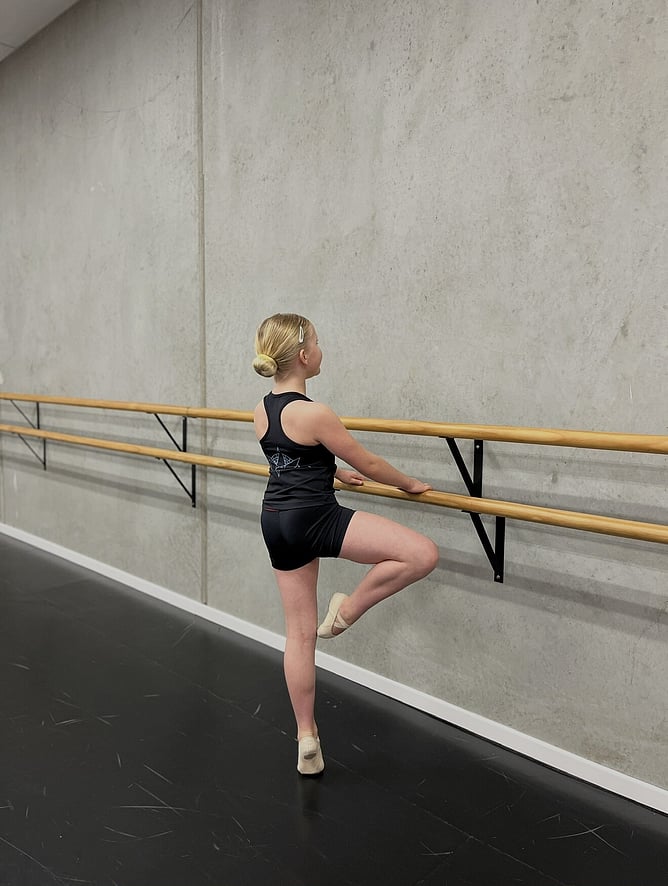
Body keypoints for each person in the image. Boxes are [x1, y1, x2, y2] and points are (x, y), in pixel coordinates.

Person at [252, 313, 439, 776]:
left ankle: (306, 738)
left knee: (298, 634)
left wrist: (331, 471)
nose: (322, 349)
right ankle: (348, 611)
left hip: (275, 520)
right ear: (303, 355)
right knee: (421, 554)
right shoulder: (315, 412)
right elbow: (370, 463)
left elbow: (288, 457)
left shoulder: (262, 409)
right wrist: (409, 484)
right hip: (316, 518)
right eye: (317, 342)